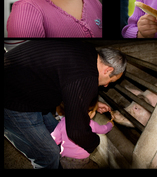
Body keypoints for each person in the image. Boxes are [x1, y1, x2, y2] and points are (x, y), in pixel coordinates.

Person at [4, 40, 126, 169]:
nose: (106, 86)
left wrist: (88, 103)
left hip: (25, 89)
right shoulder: (85, 77)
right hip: (12, 101)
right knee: (48, 155)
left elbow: (67, 82)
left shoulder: (87, 50)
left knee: (56, 133)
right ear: (108, 70)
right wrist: (95, 141)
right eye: (110, 81)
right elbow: (77, 132)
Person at [51, 99, 114, 169]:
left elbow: (54, 139)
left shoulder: (63, 122)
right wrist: (110, 124)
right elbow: (103, 130)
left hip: (65, 160)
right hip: (82, 162)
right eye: (95, 111)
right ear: (90, 113)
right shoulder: (90, 124)